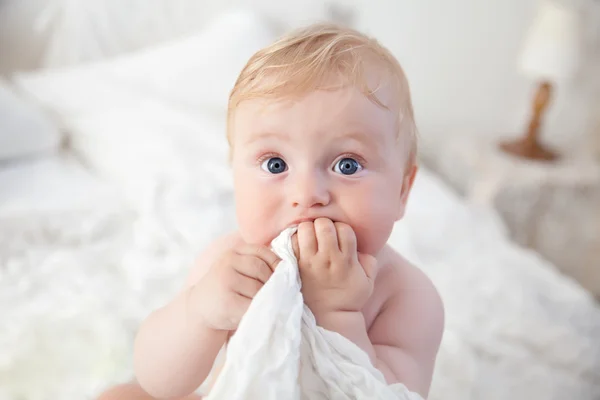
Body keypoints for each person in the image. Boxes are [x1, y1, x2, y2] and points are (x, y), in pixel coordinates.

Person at [98, 22, 444, 400]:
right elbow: (159, 382)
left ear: (402, 191)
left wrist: (336, 315)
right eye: (275, 164)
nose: (307, 195)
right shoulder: (231, 264)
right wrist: (201, 313)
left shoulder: (407, 296)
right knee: (122, 395)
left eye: (347, 164)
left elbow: (390, 394)